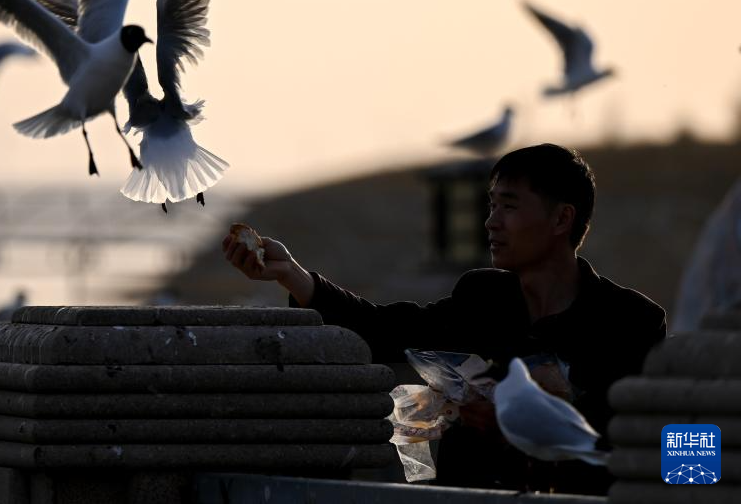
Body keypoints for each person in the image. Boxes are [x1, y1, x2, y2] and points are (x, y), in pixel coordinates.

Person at [222, 143, 665, 494]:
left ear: (562, 219)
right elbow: (384, 331)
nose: (490, 222)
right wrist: (294, 276)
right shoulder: (482, 295)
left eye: (508, 206)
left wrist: (521, 425)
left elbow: (668, 441)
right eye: (490, 206)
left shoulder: (631, 322)